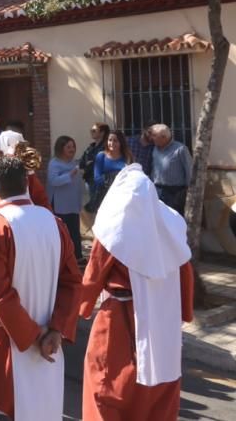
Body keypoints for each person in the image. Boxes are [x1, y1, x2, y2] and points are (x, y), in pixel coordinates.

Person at [0, 156, 81, 421]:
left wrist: (33, 335)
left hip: (3, 347)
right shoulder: (55, 223)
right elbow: (72, 282)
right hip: (48, 346)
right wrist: (56, 329)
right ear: (27, 182)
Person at [80, 164, 193, 421]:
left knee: (108, 385)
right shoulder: (171, 224)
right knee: (158, 390)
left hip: (119, 320)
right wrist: (184, 312)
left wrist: (80, 309)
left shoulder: (114, 229)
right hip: (163, 319)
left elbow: (93, 273)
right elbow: (184, 271)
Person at [47, 136, 86, 262]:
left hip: (73, 204)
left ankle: (77, 257)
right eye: (68, 147)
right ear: (60, 148)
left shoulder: (74, 163)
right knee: (61, 233)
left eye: (73, 146)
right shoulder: (54, 163)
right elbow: (53, 181)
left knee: (74, 231)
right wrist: (70, 174)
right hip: (59, 205)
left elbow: (78, 184)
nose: (72, 149)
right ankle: (62, 258)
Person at [150, 124, 193, 215]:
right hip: (157, 190)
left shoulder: (181, 149)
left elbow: (190, 171)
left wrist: (188, 192)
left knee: (174, 221)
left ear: (164, 137)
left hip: (175, 193)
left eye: (154, 135)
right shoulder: (155, 149)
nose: (151, 138)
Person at [87, 130, 133, 214]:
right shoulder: (101, 156)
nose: (111, 143)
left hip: (122, 197)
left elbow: (132, 176)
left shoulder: (127, 157)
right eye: (110, 140)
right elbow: (97, 178)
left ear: (121, 142)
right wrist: (115, 180)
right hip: (105, 197)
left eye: (115, 140)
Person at [80, 123, 110, 208]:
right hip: (89, 179)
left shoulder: (106, 147)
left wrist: (89, 164)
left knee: (97, 206)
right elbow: (82, 162)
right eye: (91, 130)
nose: (91, 132)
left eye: (94, 131)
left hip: (99, 181)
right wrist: (87, 164)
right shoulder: (91, 147)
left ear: (102, 133)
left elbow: (96, 163)